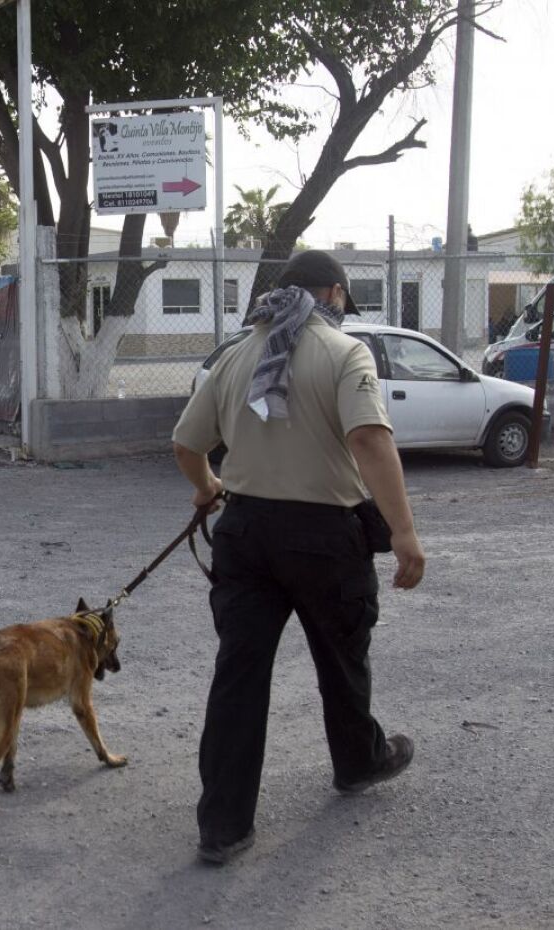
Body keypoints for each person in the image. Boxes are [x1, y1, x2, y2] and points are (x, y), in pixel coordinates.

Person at [171, 250, 427, 866]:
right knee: (342, 660)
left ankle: (223, 827)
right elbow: (368, 438)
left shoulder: (234, 355)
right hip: (323, 535)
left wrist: (209, 489)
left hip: (247, 532)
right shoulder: (346, 353)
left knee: (239, 675)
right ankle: (358, 762)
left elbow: (186, 443)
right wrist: (404, 532)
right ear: (335, 295)